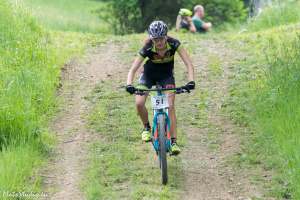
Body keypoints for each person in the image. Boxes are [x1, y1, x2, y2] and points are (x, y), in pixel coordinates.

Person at [126, 21, 195, 155]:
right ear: (151, 38)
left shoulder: (174, 44)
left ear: (166, 36)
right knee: (139, 103)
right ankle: (146, 127)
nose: (159, 42)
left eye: (161, 38)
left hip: (166, 76)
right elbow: (132, 69)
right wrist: (129, 84)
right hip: (148, 75)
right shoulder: (147, 47)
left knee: (170, 106)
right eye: (156, 39)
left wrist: (191, 81)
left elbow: (189, 64)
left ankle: (174, 142)